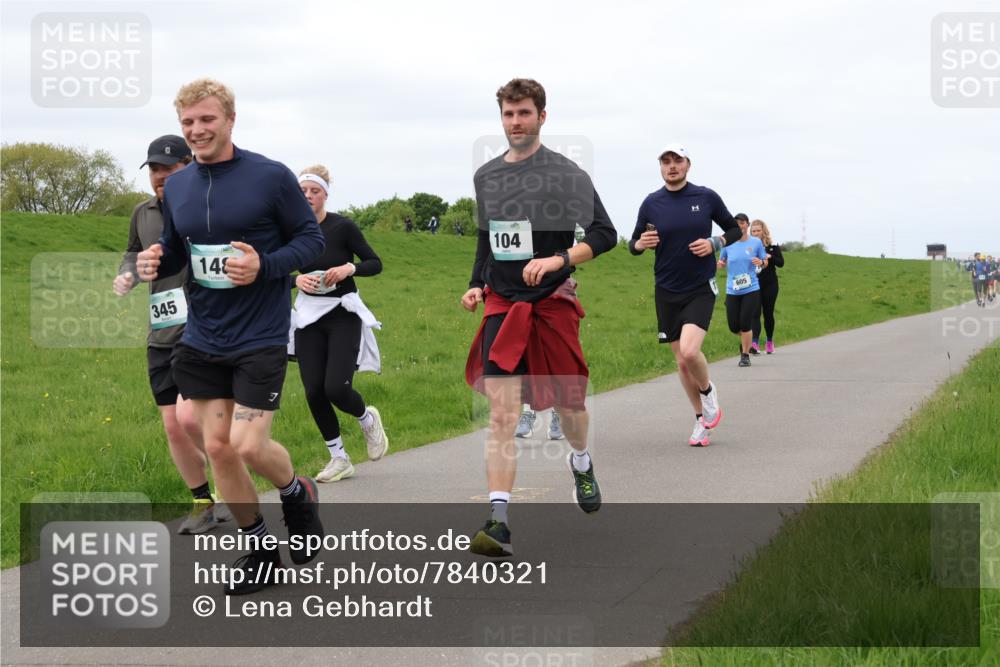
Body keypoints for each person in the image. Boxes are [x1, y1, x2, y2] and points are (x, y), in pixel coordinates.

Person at [136, 78, 326, 595]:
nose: (197, 130)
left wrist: (266, 265)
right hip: (203, 337)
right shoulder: (178, 186)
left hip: (259, 334)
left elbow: (310, 240)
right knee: (218, 446)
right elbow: (178, 249)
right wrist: (156, 261)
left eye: (207, 119)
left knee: (246, 443)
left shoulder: (269, 176)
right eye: (188, 122)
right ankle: (261, 552)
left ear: (230, 120)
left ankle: (296, 491)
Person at [461, 78, 617, 556]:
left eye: (524, 113)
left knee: (570, 406)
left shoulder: (565, 174)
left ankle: (581, 460)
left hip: (551, 302)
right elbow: (487, 237)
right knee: (502, 414)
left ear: (542, 117)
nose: (515, 122)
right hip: (503, 304)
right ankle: (499, 520)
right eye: (508, 114)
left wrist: (558, 259)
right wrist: (476, 282)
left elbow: (604, 233)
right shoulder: (487, 176)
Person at [113, 134, 232, 535]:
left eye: (169, 168)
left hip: (202, 329)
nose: (160, 176)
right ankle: (203, 500)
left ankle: (230, 480)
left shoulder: (207, 207)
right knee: (172, 425)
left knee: (189, 416)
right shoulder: (142, 212)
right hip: (161, 330)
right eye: (154, 169)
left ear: (189, 166)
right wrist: (127, 275)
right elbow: (132, 253)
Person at [629, 145, 742, 447]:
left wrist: (715, 242)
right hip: (666, 290)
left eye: (677, 160)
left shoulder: (705, 197)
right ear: (660, 167)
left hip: (699, 287)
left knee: (690, 353)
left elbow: (733, 229)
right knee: (681, 363)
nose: (671, 166)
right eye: (665, 161)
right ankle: (701, 420)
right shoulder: (651, 202)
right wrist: (640, 243)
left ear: (688, 164)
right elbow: (634, 243)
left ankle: (708, 392)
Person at [292, 164, 387, 483]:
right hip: (308, 316)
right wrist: (296, 280)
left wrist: (350, 268)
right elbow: (272, 271)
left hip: (343, 313)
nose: (308, 196)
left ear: (325, 195)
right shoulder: (289, 231)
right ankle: (339, 458)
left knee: (335, 387)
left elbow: (375, 263)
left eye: (314, 191)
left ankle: (367, 419)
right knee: (313, 391)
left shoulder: (342, 227)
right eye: (302, 191)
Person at [718, 215, 767, 367]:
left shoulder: (756, 242)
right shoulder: (728, 243)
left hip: (751, 289)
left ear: (747, 225)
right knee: (733, 326)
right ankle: (746, 341)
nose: (740, 226)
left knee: (745, 323)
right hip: (732, 290)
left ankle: (745, 355)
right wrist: (720, 264)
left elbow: (765, 261)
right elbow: (722, 260)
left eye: (742, 223)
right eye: (737, 223)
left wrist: (761, 262)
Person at [749, 219, 784, 354]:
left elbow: (781, 263)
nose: (756, 233)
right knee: (755, 313)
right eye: (753, 231)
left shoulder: (772, 245)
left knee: (768, 314)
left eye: (758, 230)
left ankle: (769, 342)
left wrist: (770, 256)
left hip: (770, 284)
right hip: (754, 284)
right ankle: (755, 343)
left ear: (763, 231)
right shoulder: (749, 246)